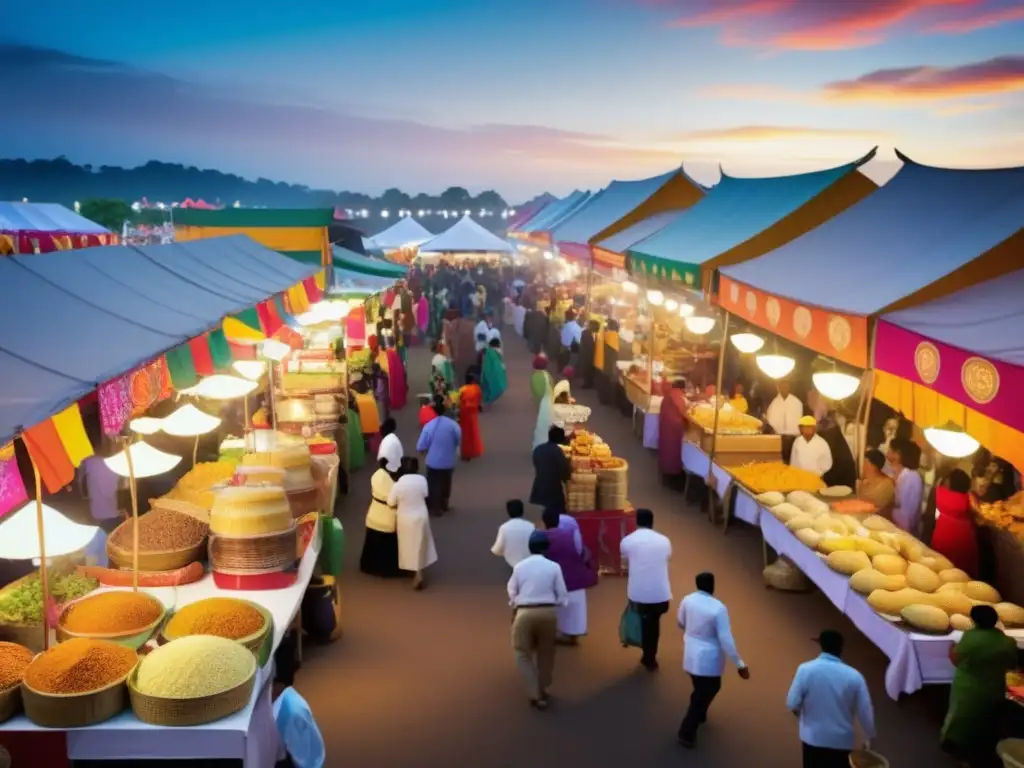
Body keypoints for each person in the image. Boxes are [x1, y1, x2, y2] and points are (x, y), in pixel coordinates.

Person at [676, 572, 750, 748]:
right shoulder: (718, 608)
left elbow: (680, 622)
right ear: (713, 585)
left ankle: (700, 713)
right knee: (710, 688)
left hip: (690, 653)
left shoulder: (687, 600)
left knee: (699, 687)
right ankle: (687, 731)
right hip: (709, 659)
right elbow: (725, 639)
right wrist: (740, 663)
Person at [941, 604, 1018, 765]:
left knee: (962, 718)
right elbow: (1012, 664)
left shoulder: (971, 637)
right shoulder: (1007, 641)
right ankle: (983, 751)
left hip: (969, 687)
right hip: (995, 686)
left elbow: (956, 659)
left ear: (975, 621)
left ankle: (958, 751)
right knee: (986, 717)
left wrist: (951, 648)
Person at [787, 630, 875, 768]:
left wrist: (800, 712)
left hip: (813, 740)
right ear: (841, 648)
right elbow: (866, 712)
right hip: (842, 743)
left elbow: (792, 703)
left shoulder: (805, 670)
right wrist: (869, 737)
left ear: (821, 645)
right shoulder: (855, 676)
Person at [507, 531, 568, 710]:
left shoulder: (519, 567)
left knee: (522, 652)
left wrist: (514, 604)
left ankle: (534, 693)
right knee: (546, 652)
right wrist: (558, 604)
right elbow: (563, 594)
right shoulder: (554, 567)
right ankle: (543, 688)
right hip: (548, 612)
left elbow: (512, 590)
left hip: (524, 612)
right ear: (546, 548)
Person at [620, 509, 672, 671]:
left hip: (638, 593)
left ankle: (647, 653)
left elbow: (624, 561)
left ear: (637, 522)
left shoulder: (628, 541)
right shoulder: (665, 540)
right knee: (654, 622)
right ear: (652, 522)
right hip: (661, 594)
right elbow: (667, 557)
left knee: (645, 621)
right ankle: (650, 655)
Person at [541, 507, 596, 645]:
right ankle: (573, 634)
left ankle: (552, 633)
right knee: (575, 607)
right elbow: (580, 551)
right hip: (575, 575)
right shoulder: (571, 532)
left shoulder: (542, 537)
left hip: (555, 578)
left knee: (554, 606)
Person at [388, 457, 437, 590]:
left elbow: (390, 502)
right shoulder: (422, 480)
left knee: (408, 546)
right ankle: (419, 572)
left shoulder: (398, 484)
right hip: (421, 516)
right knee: (420, 544)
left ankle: (413, 571)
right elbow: (426, 495)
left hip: (405, 519)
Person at [416, 396, 462, 516]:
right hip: (448, 460)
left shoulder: (429, 426)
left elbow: (421, 446)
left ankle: (435, 507)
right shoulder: (453, 425)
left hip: (433, 461)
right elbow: (458, 439)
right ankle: (444, 504)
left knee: (433, 484)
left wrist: (423, 451)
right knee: (446, 482)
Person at [931, 468, 979, 577]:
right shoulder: (969, 499)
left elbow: (938, 485)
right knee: (962, 573)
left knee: (941, 570)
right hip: (965, 535)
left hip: (944, 533)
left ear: (949, 482)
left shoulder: (940, 494)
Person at [359, 457, 402, 577]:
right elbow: (392, 501)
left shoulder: (376, 475)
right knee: (387, 546)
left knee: (372, 543)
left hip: (374, 513)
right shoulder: (392, 483)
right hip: (387, 517)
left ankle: (368, 566)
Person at [530, 426, 571, 513]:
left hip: (539, 483)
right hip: (553, 486)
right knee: (559, 510)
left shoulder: (538, 449)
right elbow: (563, 468)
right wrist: (567, 478)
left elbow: (536, 463)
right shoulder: (557, 451)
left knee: (546, 508)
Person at [888, 438, 924, 535]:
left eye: (891, 451)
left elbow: (907, 518)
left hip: (905, 534)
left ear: (899, 455)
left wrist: (888, 511)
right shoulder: (895, 473)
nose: (887, 454)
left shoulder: (912, 478)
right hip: (893, 529)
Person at [492, 500, 536, 569]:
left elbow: (497, 549)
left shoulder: (504, 528)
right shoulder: (531, 526)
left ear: (508, 512)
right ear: (522, 511)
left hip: (513, 565)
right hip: (531, 564)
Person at [658, 380, 688, 478]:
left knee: (666, 451)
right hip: (675, 430)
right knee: (674, 453)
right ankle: (674, 477)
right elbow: (684, 412)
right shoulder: (677, 396)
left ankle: (665, 474)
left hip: (665, 428)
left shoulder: (668, 396)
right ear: (682, 389)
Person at [857, 449, 895, 519]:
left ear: (872, 466)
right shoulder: (865, 482)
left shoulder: (886, 484)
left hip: (880, 521)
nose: (863, 466)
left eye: (865, 463)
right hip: (864, 517)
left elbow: (879, 508)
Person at [458, 372, 483, 461]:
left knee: (465, 434)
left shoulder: (462, 389)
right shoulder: (476, 389)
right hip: (473, 414)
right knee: (473, 432)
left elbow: (458, 400)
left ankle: (465, 453)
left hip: (464, 414)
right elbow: (479, 399)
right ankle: (474, 450)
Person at [481, 337, 508, 405]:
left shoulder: (491, 352)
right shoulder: (492, 353)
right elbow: (496, 366)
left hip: (489, 374)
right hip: (491, 375)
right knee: (494, 388)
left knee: (488, 390)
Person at [577, 319, 599, 389]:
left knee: (590, 370)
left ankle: (590, 383)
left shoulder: (597, 334)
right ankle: (587, 383)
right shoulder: (585, 333)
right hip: (586, 355)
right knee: (586, 370)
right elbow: (586, 345)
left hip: (592, 355)